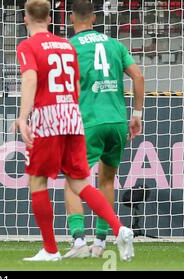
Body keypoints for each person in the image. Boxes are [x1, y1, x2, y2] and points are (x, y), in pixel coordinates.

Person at [12, 0, 134, 262]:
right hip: (73, 117)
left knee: (37, 179)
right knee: (78, 180)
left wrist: (23, 117)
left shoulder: (28, 45)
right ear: (50, 18)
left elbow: (31, 78)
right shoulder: (65, 45)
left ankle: (52, 249)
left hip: (49, 117)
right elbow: (76, 85)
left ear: (25, 18)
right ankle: (119, 228)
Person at [62, 0, 144, 259]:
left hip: (89, 122)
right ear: (95, 18)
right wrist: (137, 115)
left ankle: (78, 241)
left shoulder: (70, 47)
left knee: (73, 181)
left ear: (71, 19)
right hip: (118, 121)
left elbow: (68, 86)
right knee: (107, 180)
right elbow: (138, 77)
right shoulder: (115, 45)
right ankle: (100, 242)